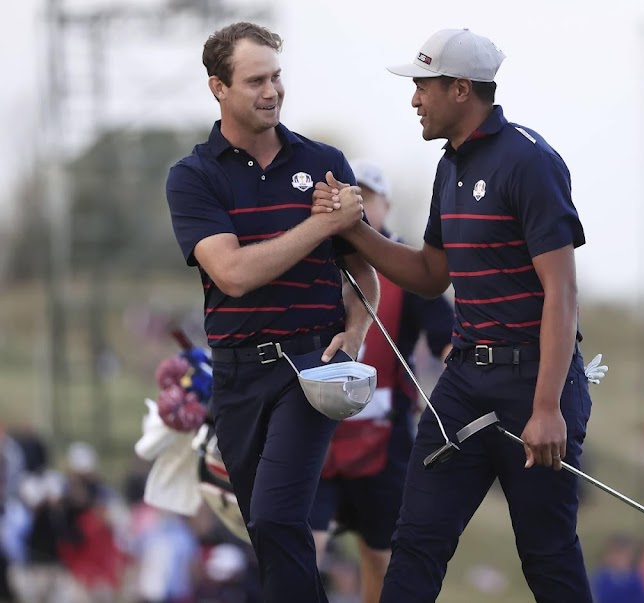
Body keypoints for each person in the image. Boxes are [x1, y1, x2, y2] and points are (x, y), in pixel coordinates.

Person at [313, 27, 594, 602]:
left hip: (534, 384)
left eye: (422, 86)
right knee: (416, 542)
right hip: (465, 383)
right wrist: (355, 231)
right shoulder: (450, 166)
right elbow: (428, 275)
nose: (414, 99)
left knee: (547, 557)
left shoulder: (528, 161)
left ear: (460, 89)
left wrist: (546, 410)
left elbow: (561, 292)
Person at [165, 21, 378, 601]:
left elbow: (362, 271)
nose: (272, 91)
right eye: (256, 79)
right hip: (235, 375)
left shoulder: (325, 161)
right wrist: (320, 225)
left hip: (310, 367)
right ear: (218, 87)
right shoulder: (193, 177)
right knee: (263, 526)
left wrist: (355, 332)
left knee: (281, 518)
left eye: (276, 76)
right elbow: (231, 275)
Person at [310, 159, 454, 603]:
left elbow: (445, 337)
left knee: (380, 557)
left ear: (386, 206)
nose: (363, 207)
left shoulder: (407, 267)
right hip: (316, 430)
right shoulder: (315, 259)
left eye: (370, 198)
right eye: (355, 197)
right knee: (299, 548)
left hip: (383, 436)